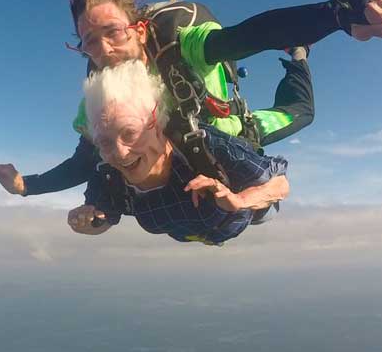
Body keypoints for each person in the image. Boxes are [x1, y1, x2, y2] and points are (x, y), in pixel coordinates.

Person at [0, 0, 382, 196]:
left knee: (302, 112)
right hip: (176, 156)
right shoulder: (98, 97)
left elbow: (250, 35)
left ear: (139, 30)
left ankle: (299, 54)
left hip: (226, 130)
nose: (104, 50)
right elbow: (87, 158)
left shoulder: (182, 45)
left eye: (113, 33)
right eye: (89, 42)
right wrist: (25, 186)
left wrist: (336, 16)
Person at [68, 60, 290, 245]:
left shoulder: (202, 147)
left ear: (157, 124)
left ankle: (298, 60)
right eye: (105, 142)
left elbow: (280, 185)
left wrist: (238, 200)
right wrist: (86, 223)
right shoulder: (108, 177)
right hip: (192, 231)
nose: (120, 153)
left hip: (247, 214)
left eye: (129, 133)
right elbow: (105, 218)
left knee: (264, 211)